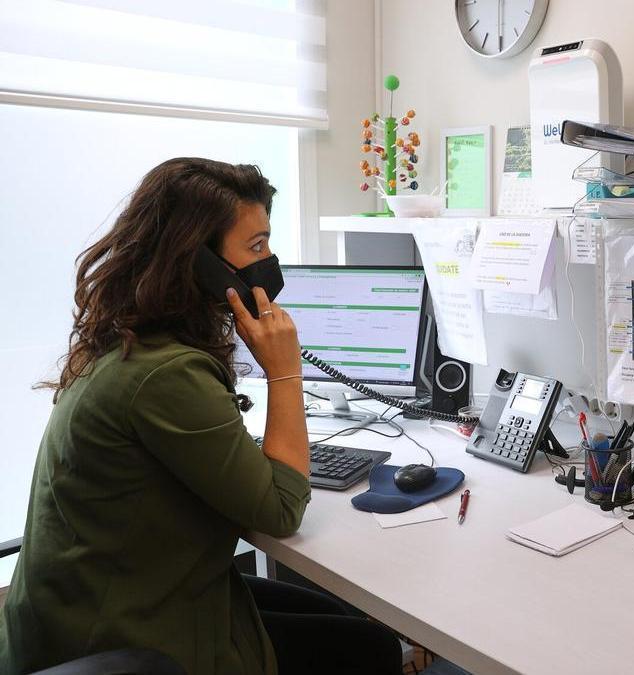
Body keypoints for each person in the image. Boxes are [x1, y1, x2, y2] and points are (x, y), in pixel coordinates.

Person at [0, 158, 405, 674]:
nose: (271, 259)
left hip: (96, 604)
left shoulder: (129, 342)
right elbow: (282, 510)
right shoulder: (165, 374)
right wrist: (284, 372)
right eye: (256, 246)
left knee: (331, 615)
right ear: (197, 263)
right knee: (366, 650)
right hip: (122, 640)